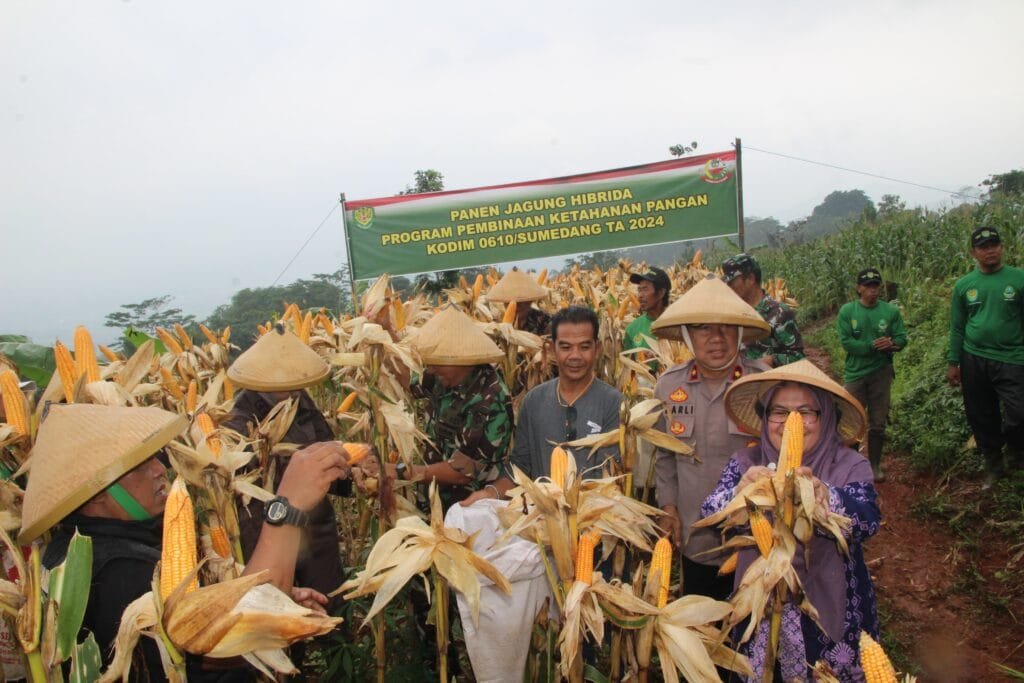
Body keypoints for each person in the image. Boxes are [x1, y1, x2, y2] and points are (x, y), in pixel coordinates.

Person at [20, 403, 349, 682]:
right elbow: (202, 664)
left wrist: (268, 611)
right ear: (96, 496)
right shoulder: (116, 572)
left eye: (155, 456)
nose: (160, 469)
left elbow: (191, 642)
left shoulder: (82, 548)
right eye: (138, 465)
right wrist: (287, 508)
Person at [701, 359, 880, 682]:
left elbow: (868, 521)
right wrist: (739, 494)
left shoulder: (850, 464)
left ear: (825, 418)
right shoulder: (746, 461)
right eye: (779, 411)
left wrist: (825, 496)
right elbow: (710, 514)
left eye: (806, 412)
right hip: (759, 602)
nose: (790, 422)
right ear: (765, 416)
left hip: (827, 608)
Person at [650, 275, 771, 600]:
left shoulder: (762, 385)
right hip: (696, 538)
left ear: (740, 333)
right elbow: (664, 457)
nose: (716, 338)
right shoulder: (668, 387)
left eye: (726, 327)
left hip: (753, 537)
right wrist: (669, 507)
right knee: (702, 631)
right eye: (704, 328)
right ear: (688, 336)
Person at [224, 323, 350, 602]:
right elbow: (241, 489)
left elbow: (325, 445)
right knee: (279, 603)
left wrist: (349, 470)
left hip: (315, 527)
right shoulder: (238, 421)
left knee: (329, 600)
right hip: (267, 530)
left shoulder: (300, 399)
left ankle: (336, 641)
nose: (295, 387)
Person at [464, 306, 623, 503]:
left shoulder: (613, 403)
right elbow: (520, 465)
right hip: (541, 517)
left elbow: (609, 475)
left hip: (593, 520)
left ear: (597, 349)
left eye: (584, 346)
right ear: (551, 349)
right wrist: (490, 494)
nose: (575, 356)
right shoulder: (533, 401)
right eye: (565, 347)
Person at [389, 305, 514, 509]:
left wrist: (400, 471)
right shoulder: (443, 373)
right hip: (437, 497)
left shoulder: (489, 399)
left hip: (469, 508)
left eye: (436, 364)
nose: (430, 369)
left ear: (462, 358)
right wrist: (387, 331)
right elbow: (407, 380)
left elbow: (461, 473)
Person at [946, 226, 1024, 489]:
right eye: (983, 246)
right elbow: (957, 326)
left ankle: (1014, 449)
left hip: (1012, 357)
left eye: (994, 244)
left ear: (1002, 248)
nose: (990, 250)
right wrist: (953, 362)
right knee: (980, 413)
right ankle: (993, 464)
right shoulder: (965, 286)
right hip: (974, 358)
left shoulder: (1018, 279)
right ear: (973, 253)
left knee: (1019, 412)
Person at [837, 267, 907, 482]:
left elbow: (902, 338)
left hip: (881, 373)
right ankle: (852, 464)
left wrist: (892, 344)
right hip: (855, 374)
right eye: (868, 286)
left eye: (876, 286)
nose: (873, 290)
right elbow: (847, 342)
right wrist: (872, 346)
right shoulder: (848, 312)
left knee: (877, 422)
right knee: (852, 419)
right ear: (859, 288)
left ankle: (874, 465)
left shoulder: (890, 312)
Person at [721, 253, 805, 367]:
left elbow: (798, 357)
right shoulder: (734, 314)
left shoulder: (778, 313)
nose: (729, 287)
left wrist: (770, 361)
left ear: (750, 279)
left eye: (732, 282)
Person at [487, 268, 552, 336]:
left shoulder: (546, 321)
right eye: (509, 301)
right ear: (504, 302)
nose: (517, 305)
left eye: (521, 300)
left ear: (530, 301)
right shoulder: (498, 324)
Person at [624, 267, 671, 356]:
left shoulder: (678, 325)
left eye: (645, 289)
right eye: (639, 290)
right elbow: (628, 367)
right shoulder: (632, 329)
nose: (640, 296)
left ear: (661, 293)